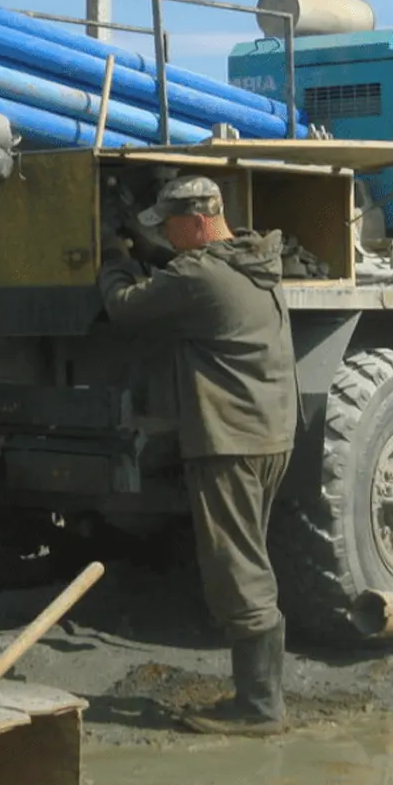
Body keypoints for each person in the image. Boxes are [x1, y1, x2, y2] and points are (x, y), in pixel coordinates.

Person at [98, 174, 298, 736]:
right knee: (250, 558)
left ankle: (259, 709)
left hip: (229, 441)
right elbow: (187, 269)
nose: (169, 238)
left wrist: (116, 257)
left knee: (237, 570)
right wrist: (152, 249)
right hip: (270, 433)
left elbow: (124, 306)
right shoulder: (253, 260)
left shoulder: (197, 274)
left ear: (194, 223)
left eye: (171, 229)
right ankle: (258, 697)